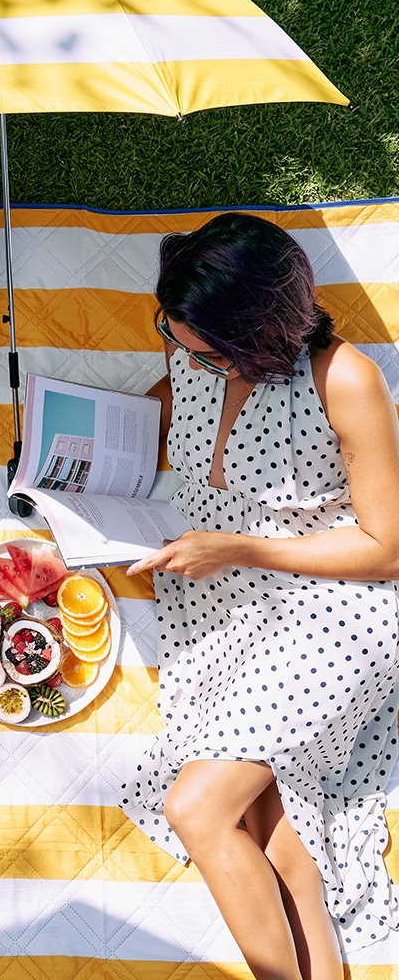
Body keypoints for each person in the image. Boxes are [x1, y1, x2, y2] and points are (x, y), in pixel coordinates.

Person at [119, 212, 399, 980]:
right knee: (272, 819)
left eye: (200, 345)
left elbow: (387, 550)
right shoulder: (193, 348)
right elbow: (165, 402)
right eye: (174, 333)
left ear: (260, 332)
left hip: (335, 602)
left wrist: (240, 548)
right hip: (230, 598)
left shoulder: (344, 379)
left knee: (197, 805)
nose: (183, 353)